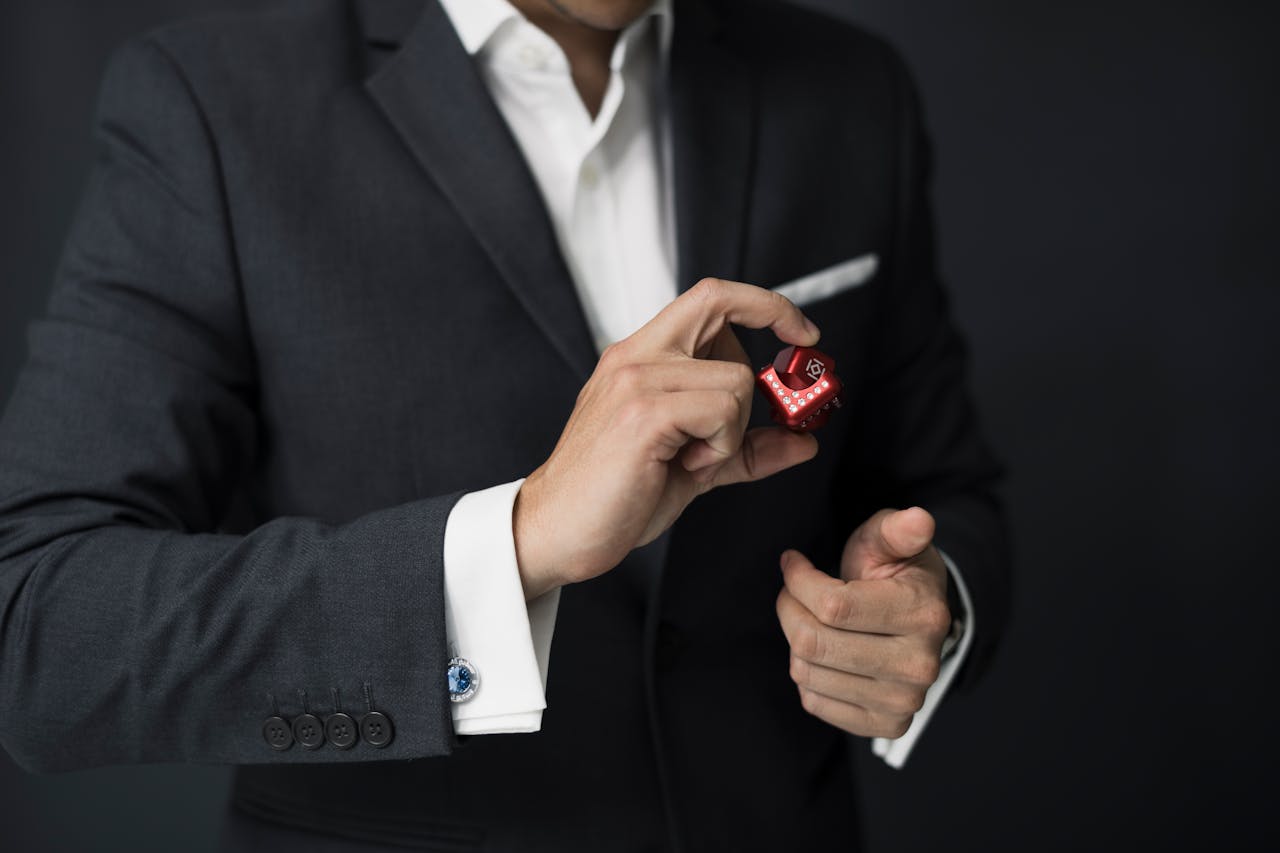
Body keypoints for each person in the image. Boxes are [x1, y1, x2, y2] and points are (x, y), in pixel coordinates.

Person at [0, 0, 1009, 849]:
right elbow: (39, 627)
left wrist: (930, 606)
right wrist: (515, 541)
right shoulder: (209, 101)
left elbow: (945, 488)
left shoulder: (848, 86)